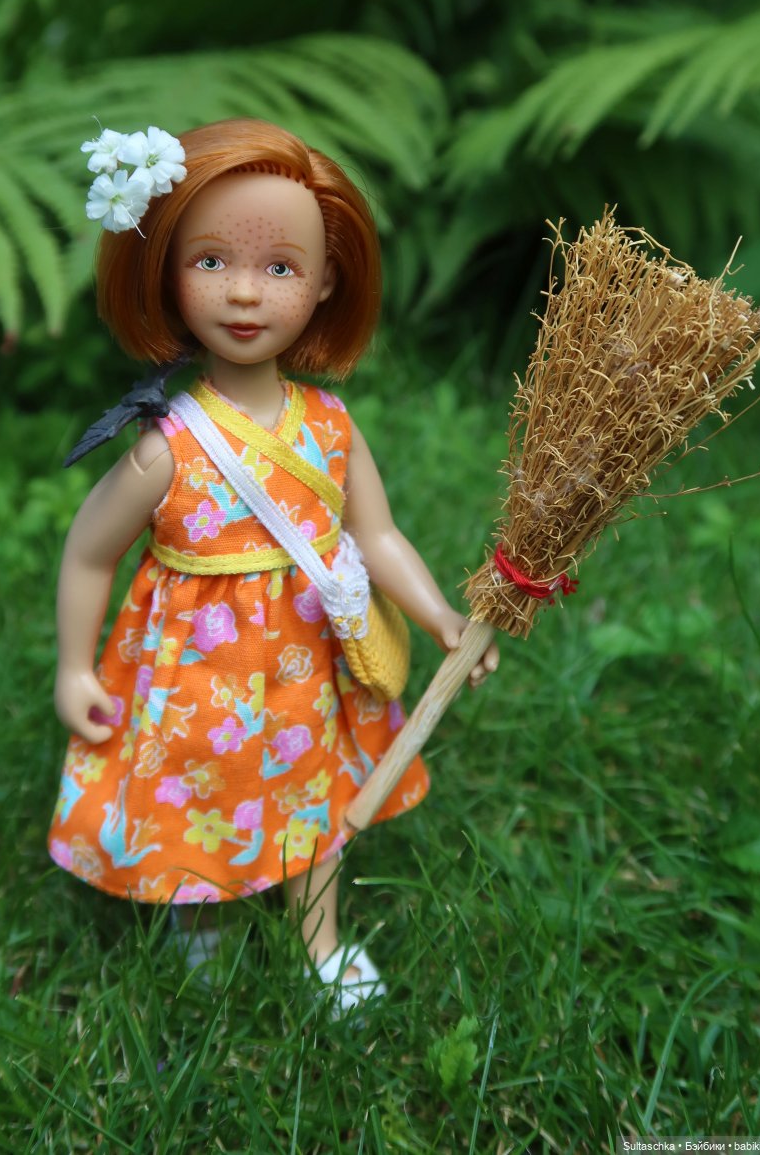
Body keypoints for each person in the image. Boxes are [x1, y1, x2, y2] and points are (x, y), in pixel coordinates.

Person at [48, 117, 498, 1011]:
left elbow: (377, 536)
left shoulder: (329, 427)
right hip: (195, 675)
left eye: (281, 267)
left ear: (327, 281)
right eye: (211, 261)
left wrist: (442, 615)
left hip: (305, 668)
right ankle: (202, 917)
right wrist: (73, 665)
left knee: (314, 798)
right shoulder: (167, 447)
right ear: (165, 271)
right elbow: (89, 551)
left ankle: (319, 937)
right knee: (196, 789)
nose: (245, 292)